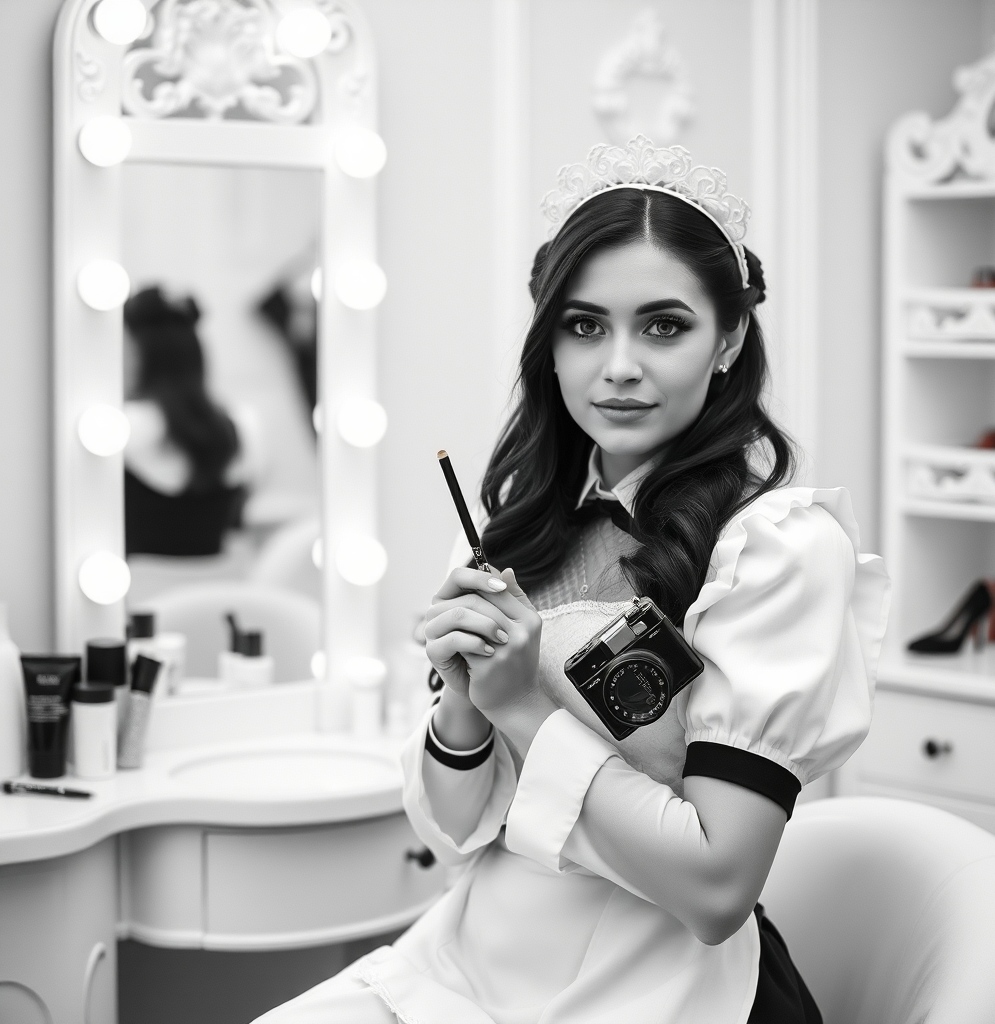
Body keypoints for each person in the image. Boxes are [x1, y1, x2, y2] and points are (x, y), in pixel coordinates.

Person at [254, 136, 889, 1024]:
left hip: (659, 989)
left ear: (730, 336)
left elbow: (715, 890)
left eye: (663, 325)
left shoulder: (775, 548)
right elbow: (455, 831)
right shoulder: (512, 525)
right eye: (584, 325)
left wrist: (521, 704)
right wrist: (464, 706)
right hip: (467, 963)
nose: (618, 365)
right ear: (548, 340)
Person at [123, 286, 260, 557]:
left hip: (141, 591)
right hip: (218, 592)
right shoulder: (244, 424)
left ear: (140, 356)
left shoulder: (125, 426)